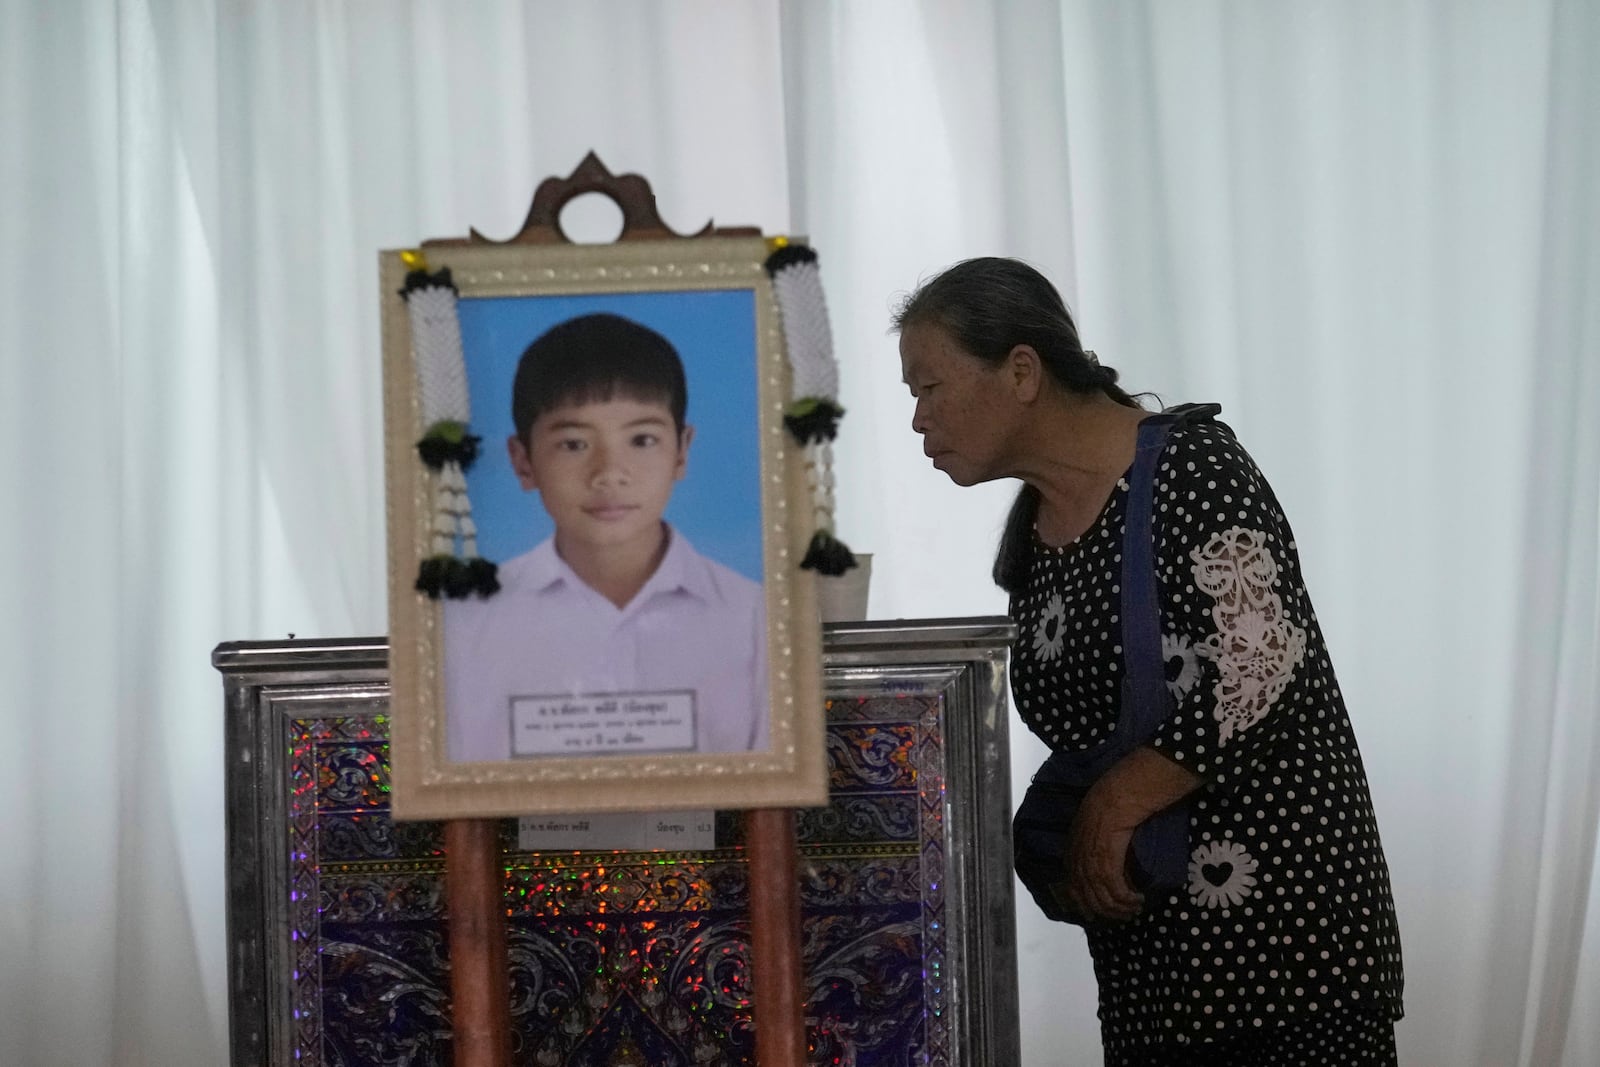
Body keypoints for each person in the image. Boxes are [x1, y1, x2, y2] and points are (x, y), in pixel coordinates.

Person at [893, 258, 1403, 1065]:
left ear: (1021, 370)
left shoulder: (1193, 469)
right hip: (1150, 971)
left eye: (927, 387)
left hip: (1284, 954)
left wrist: (1114, 804)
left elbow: (1262, 665)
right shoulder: (1038, 532)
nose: (917, 418)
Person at [444, 312, 768, 762]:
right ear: (522, 461)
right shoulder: (463, 627)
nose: (609, 473)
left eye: (642, 440)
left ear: (682, 450)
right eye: (574, 444)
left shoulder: (755, 618)